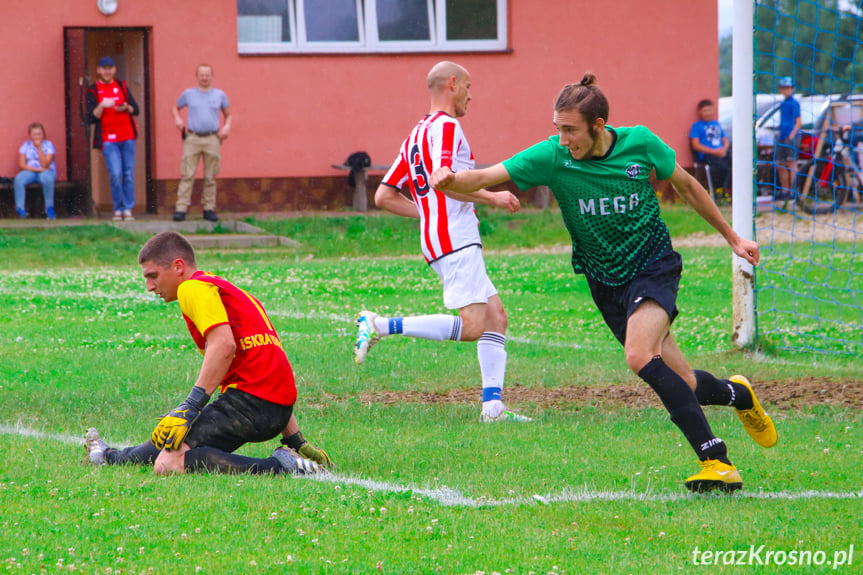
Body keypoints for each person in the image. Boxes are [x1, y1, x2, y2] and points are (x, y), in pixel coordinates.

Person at [431, 73, 777, 493]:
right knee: (683, 382)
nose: (562, 139)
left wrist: (733, 237)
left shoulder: (640, 143)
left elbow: (686, 187)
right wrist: (450, 179)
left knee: (638, 355)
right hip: (604, 280)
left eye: (570, 130)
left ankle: (716, 461)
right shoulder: (553, 157)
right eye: (558, 128)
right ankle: (737, 394)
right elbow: (486, 175)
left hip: (653, 264)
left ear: (598, 126)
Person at [354, 61, 529, 423]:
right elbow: (443, 178)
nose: (470, 94)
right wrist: (493, 197)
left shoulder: (416, 133)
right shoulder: (448, 127)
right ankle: (380, 324)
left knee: (496, 317)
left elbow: (384, 196)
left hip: (442, 236)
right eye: (467, 85)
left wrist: (428, 214)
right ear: (452, 84)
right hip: (456, 239)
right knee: (473, 326)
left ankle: (493, 408)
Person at [85, 231, 333, 476]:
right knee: (173, 438)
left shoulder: (192, 288)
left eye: (153, 276)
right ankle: (109, 457)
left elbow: (224, 346)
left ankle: (281, 468)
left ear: (178, 266)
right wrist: (296, 440)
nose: (150, 287)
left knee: (168, 463)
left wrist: (191, 406)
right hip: (276, 408)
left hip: (251, 406)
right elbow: (268, 364)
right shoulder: (227, 289)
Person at [171, 64, 232, 223]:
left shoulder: (220, 95)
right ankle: (181, 208)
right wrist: (177, 118)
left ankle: (209, 208)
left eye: (207, 74)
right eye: (201, 74)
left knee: (211, 176)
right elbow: (175, 107)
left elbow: (228, 114)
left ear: (212, 76)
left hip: (212, 138)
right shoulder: (189, 94)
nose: (204, 77)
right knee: (187, 174)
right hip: (193, 138)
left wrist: (226, 127)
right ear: (197, 76)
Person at [86, 56, 140, 222]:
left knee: (128, 174)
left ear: (114, 70)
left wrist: (126, 107)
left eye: (110, 68)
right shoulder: (93, 90)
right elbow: (90, 117)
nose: (107, 71)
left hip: (128, 136)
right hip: (108, 139)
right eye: (104, 68)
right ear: (99, 70)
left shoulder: (122, 85)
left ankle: (128, 209)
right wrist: (102, 105)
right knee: (116, 174)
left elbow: (135, 109)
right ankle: (118, 208)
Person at [14, 122, 57, 220]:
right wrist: (36, 169)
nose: (37, 136)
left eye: (39, 134)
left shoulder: (49, 145)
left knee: (47, 179)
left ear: (43, 134)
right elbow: (22, 165)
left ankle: (49, 208)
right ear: (30, 135)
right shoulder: (25, 145)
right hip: (31, 171)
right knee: (19, 179)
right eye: (34, 134)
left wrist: (39, 148)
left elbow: (45, 165)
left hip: (47, 172)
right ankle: (20, 209)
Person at [689, 99, 730, 192]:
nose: (707, 113)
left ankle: (731, 191)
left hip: (721, 152)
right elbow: (695, 145)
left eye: (709, 110)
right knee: (721, 167)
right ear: (699, 112)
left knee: (734, 163)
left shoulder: (716, 124)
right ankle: (720, 191)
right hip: (707, 155)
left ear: (713, 110)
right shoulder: (696, 126)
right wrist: (715, 152)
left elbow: (725, 140)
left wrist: (724, 149)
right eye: (704, 110)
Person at [775, 76, 801, 195]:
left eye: (788, 88)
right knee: (779, 163)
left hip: (791, 135)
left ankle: (793, 191)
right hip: (782, 135)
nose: (786, 90)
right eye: (783, 88)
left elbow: (798, 121)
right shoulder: (783, 104)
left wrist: (792, 133)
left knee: (791, 163)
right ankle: (785, 190)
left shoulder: (794, 103)